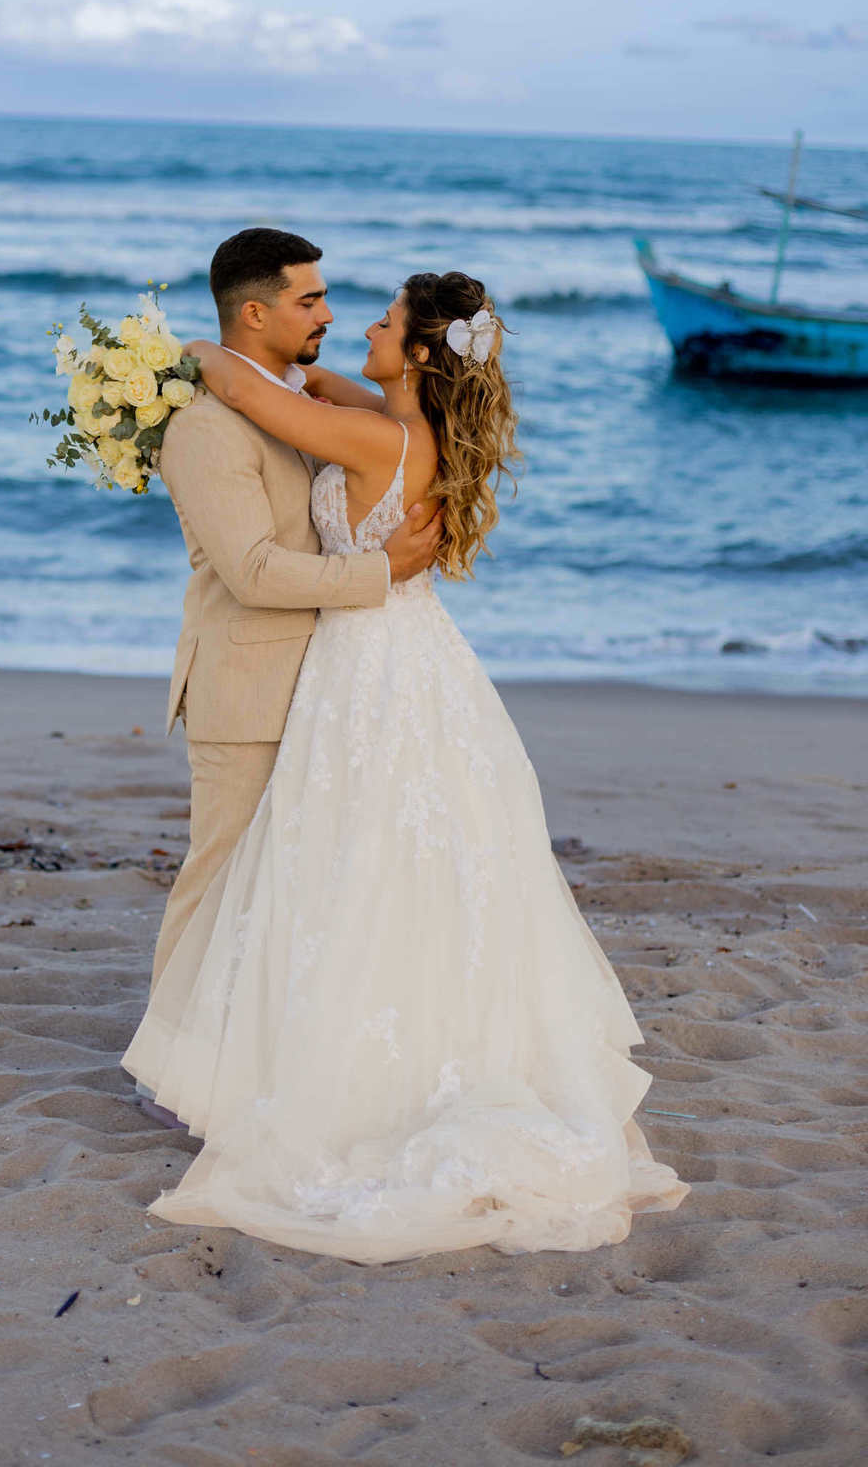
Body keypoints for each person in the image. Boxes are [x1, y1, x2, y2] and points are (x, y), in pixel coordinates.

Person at [122, 268, 690, 1262]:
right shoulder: (394, 421)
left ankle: (309, 1069)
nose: (365, 330)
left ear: (422, 354)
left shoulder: (380, 440)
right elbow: (326, 387)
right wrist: (330, 371)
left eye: (384, 323)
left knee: (346, 859)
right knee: (400, 861)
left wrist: (186, 354)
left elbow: (261, 397)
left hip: (371, 662)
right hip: (412, 655)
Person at [135, 230, 442, 1124]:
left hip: (327, 684)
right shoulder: (206, 424)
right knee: (219, 878)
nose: (331, 313)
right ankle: (167, 1073)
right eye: (311, 300)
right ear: (256, 312)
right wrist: (381, 574)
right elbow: (254, 573)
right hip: (247, 684)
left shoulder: (297, 398)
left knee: (288, 888)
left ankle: (253, 1058)